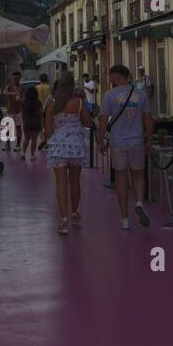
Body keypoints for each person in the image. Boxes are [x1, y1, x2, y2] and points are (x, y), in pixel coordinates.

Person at [98, 64, 153, 231]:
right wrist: (149, 139)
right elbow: (148, 119)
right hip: (136, 140)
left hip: (118, 142)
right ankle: (139, 202)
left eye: (110, 76)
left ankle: (124, 218)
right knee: (138, 175)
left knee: (121, 177)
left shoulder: (109, 95)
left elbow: (103, 121)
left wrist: (101, 140)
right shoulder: (141, 94)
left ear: (117, 77)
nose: (109, 80)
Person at [44, 70, 91, 235]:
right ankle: (74, 212)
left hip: (58, 146)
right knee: (75, 182)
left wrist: (54, 137)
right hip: (76, 146)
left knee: (61, 184)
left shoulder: (52, 102)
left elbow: (48, 128)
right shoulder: (78, 102)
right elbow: (88, 123)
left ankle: (63, 219)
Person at [21, 84, 43, 163]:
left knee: (26, 139)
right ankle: (32, 155)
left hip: (27, 123)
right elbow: (41, 113)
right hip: (36, 123)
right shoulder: (38, 102)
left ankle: (23, 154)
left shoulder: (24, 102)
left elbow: (22, 113)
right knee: (34, 140)